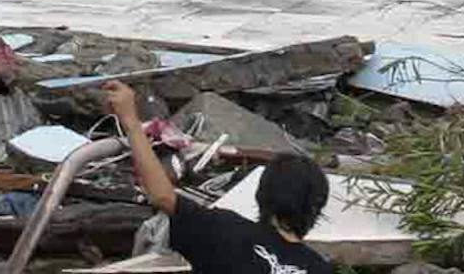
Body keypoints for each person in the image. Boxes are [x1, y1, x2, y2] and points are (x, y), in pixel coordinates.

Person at [100, 80, 330, 274]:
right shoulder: (318, 268)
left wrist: (130, 121)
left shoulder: (225, 232)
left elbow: (162, 196)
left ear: (262, 194)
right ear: (316, 208)